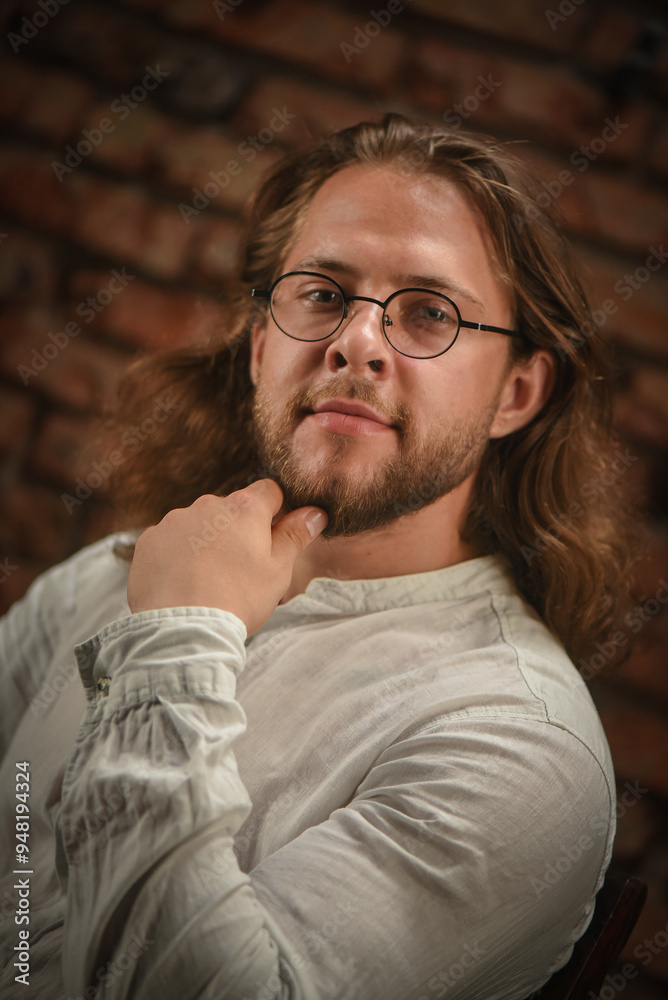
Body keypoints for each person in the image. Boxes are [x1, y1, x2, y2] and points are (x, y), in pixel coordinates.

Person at [0, 113, 638, 1000]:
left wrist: (180, 638)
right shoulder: (116, 572)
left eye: (430, 313)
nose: (357, 342)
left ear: (516, 393)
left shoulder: (519, 745)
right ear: (262, 343)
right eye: (324, 295)